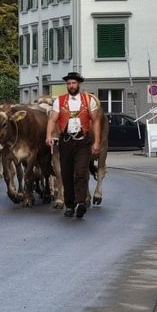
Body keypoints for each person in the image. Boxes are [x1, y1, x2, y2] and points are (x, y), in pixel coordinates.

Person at [45, 72, 102, 220]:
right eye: (69, 83)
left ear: (79, 84)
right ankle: (70, 205)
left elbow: (96, 121)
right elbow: (52, 120)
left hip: (83, 141)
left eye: (73, 83)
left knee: (81, 172)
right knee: (66, 174)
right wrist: (49, 136)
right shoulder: (60, 101)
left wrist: (96, 142)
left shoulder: (89, 100)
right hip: (66, 141)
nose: (71, 86)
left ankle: (81, 202)